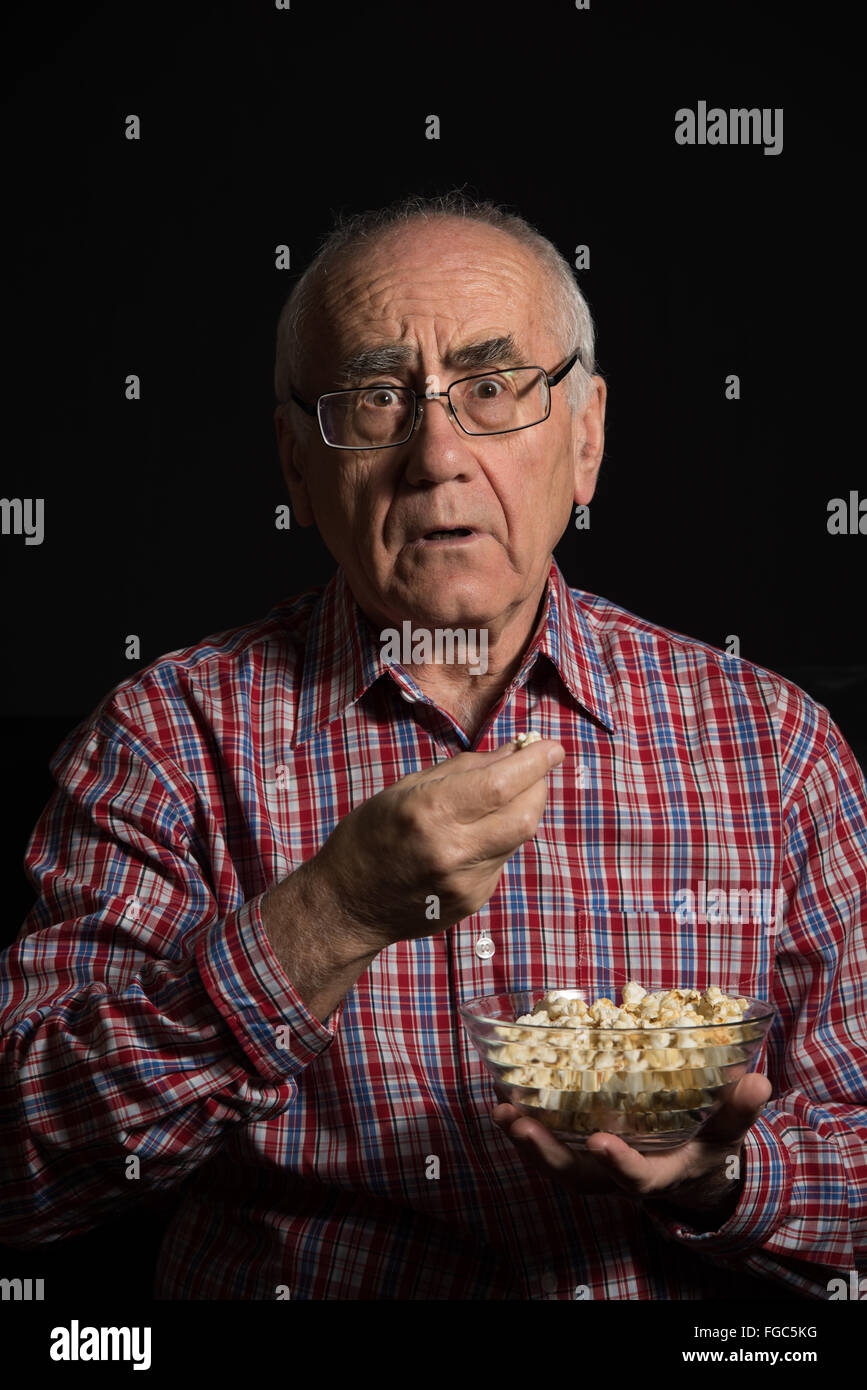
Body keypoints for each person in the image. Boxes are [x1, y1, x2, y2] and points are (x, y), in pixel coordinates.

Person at [1, 192, 865, 1300]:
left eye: (494, 388)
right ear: (297, 466)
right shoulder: (168, 739)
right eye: (375, 399)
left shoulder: (775, 746)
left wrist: (724, 1181)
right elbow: (24, 1171)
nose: (438, 454)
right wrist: (329, 918)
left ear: (587, 435)